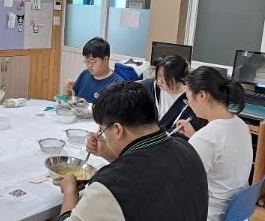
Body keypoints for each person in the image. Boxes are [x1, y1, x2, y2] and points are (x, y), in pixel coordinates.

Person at [54, 81, 208, 221]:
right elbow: (148, 174)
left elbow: (131, 180)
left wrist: (70, 191)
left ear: (117, 129)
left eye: (102, 131)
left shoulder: (109, 186)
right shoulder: (187, 148)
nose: (103, 137)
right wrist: (109, 154)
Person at [175, 66, 253, 221]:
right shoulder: (240, 125)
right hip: (235, 213)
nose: (188, 103)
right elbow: (221, 154)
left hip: (210, 215)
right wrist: (194, 136)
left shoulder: (207, 138)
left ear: (202, 95)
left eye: (187, 99)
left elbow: (181, 185)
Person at [139, 55, 203, 139]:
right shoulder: (148, 87)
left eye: (166, 78)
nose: (160, 81)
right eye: (158, 75)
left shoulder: (191, 100)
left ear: (180, 78)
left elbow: (186, 135)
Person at [63, 37, 124, 103]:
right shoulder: (85, 74)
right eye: (87, 61)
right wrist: (68, 91)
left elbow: (114, 111)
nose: (89, 65)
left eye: (93, 62)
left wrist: (88, 106)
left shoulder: (118, 84)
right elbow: (74, 100)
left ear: (106, 59)